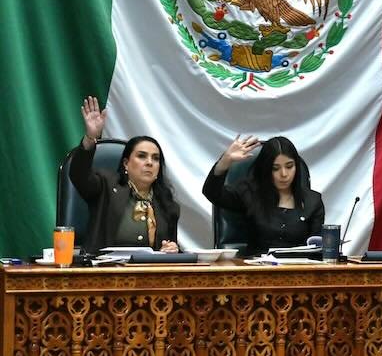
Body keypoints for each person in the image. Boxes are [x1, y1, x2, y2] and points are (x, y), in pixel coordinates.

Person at [69, 96, 181, 253]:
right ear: (126, 164)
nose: (149, 162)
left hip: (149, 273)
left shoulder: (167, 204)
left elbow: (171, 247)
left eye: (155, 158)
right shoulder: (106, 186)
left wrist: (172, 249)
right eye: (142, 156)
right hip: (105, 272)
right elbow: (78, 175)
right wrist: (90, 138)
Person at [203, 135, 325, 256]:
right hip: (257, 270)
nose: (284, 174)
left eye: (289, 166)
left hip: (300, 270)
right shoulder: (249, 193)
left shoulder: (313, 201)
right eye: (275, 168)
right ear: (265, 169)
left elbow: (316, 249)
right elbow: (212, 193)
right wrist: (225, 161)